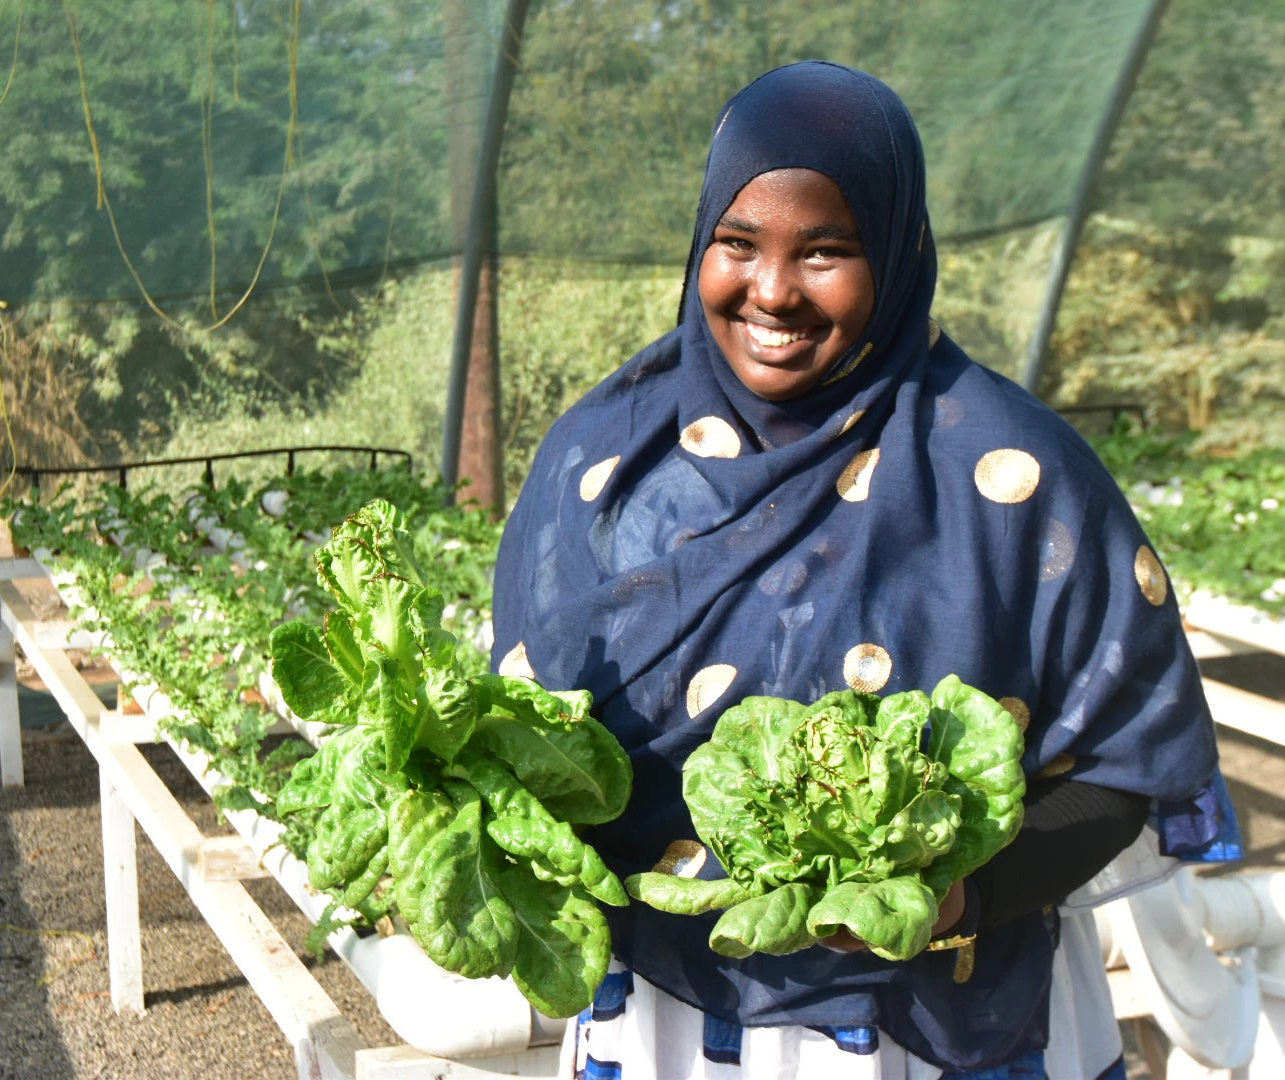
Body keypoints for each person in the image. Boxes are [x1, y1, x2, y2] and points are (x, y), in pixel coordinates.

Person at [490, 61, 1241, 1080]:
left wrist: (958, 894)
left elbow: (1120, 767)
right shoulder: (607, 461)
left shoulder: (1008, 476)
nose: (772, 291)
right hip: (673, 1020)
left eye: (826, 252)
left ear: (894, 251)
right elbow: (528, 730)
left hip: (926, 1027)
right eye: (737, 244)